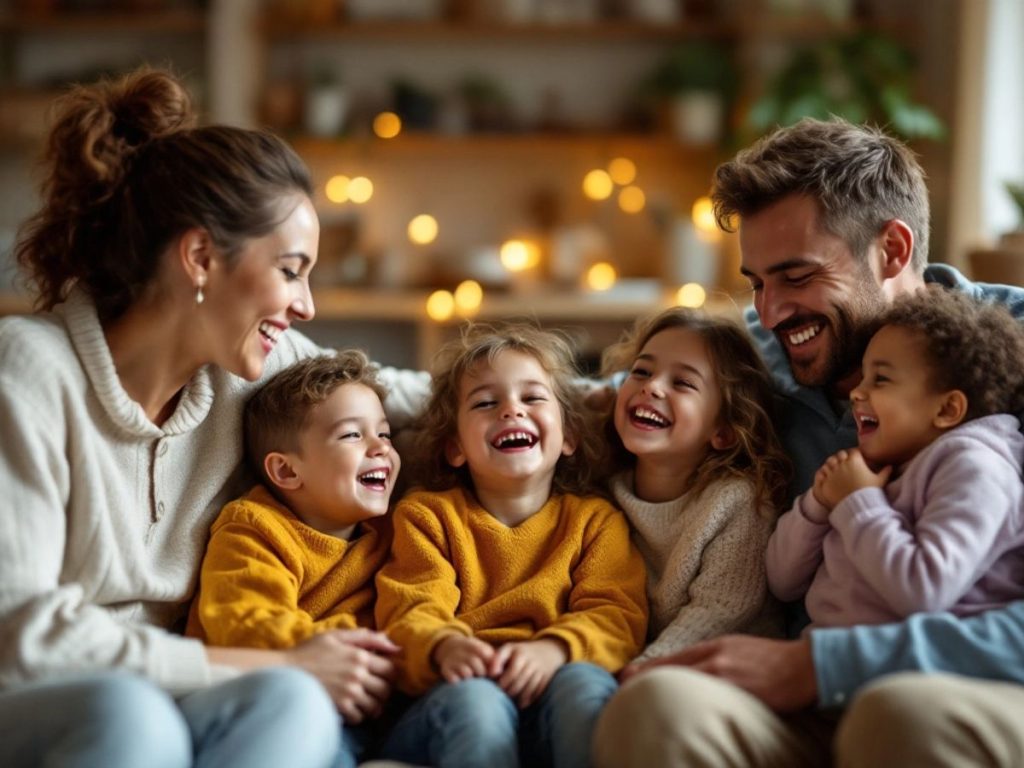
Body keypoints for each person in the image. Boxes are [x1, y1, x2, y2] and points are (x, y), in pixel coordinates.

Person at [0, 67, 427, 768]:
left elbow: (409, 394)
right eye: (291, 270)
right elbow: (21, 635)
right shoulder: (29, 369)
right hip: (43, 698)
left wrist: (635, 389)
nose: (306, 305)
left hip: (174, 691)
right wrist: (256, 664)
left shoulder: (247, 367)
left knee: (294, 703)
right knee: (133, 713)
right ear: (201, 257)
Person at [593, 117, 1024, 768]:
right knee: (661, 707)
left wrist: (827, 665)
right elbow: (599, 393)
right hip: (805, 699)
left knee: (901, 716)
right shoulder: (762, 352)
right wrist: (384, 395)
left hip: (967, 689)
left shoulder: (1010, 348)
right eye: (757, 282)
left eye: (796, 277)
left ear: (893, 250)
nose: (768, 312)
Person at [374, 322, 648, 768]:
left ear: (570, 437)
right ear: (455, 447)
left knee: (582, 686)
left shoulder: (595, 522)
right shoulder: (427, 517)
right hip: (452, 705)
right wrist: (444, 647)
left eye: (533, 397)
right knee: (478, 701)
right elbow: (409, 607)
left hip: (551, 698)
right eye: (485, 402)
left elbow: (616, 615)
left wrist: (555, 649)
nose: (511, 411)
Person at [187, 351, 403, 768]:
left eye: (386, 434)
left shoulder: (394, 530)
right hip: (281, 703)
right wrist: (352, 644)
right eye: (351, 436)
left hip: (370, 709)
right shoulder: (252, 527)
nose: (380, 448)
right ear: (287, 472)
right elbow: (244, 623)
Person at [767, 287, 1024, 628]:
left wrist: (858, 501)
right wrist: (818, 505)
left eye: (881, 379)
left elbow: (924, 592)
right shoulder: (872, 467)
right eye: (863, 376)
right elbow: (781, 583)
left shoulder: (977, 468)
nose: (858, 392)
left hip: (913, 669)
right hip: (825, 659)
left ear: (947, 408)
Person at [599, 307, 788, 674]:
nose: (651, 386)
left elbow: (719, 611)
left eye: (682, 383)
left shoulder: (738, 501)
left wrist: (646, 666)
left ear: (724, 431)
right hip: (634, 667)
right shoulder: (604, 493)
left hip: (723, 674)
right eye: (641, 371)